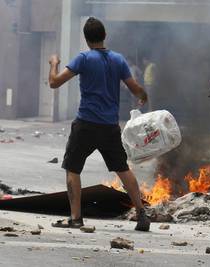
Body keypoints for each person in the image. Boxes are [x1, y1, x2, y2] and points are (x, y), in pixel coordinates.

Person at [48, 17, 150, 231]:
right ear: (104, 36)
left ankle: (76, 218)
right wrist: (143, 95)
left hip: (85, 124)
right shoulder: (118, 59)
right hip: (109, 127)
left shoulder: (83, 58)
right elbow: (134, 87)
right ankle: (142, 215)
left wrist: (54, 64)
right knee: (123, 169)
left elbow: (54, 83)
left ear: (86, 39)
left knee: (72, 169)